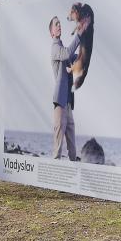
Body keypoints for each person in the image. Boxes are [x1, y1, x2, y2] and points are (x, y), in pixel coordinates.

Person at [48, 16, 77, 160]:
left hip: (68, 103)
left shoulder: (63, 48)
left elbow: (73, 56)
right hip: (60, 103)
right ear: (52, 32)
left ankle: (75, 168)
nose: (59, 25)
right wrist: (79, 36)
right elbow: (67, 54)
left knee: (72, 147)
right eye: (56, 24)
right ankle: (53, 171)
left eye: (60, 23)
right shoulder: (55, 48)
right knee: (58, 148)